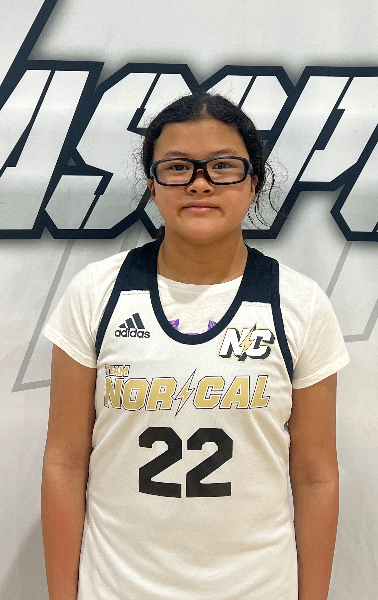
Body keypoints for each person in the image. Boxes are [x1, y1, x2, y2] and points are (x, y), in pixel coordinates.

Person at [41, 92, 349, 600]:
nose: (200, 182)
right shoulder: (96, 293)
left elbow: (316, 477)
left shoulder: (300, 304)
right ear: (152, 184)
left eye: (223, 166)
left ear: (254, 181)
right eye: (178, 166)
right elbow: (65, 463)